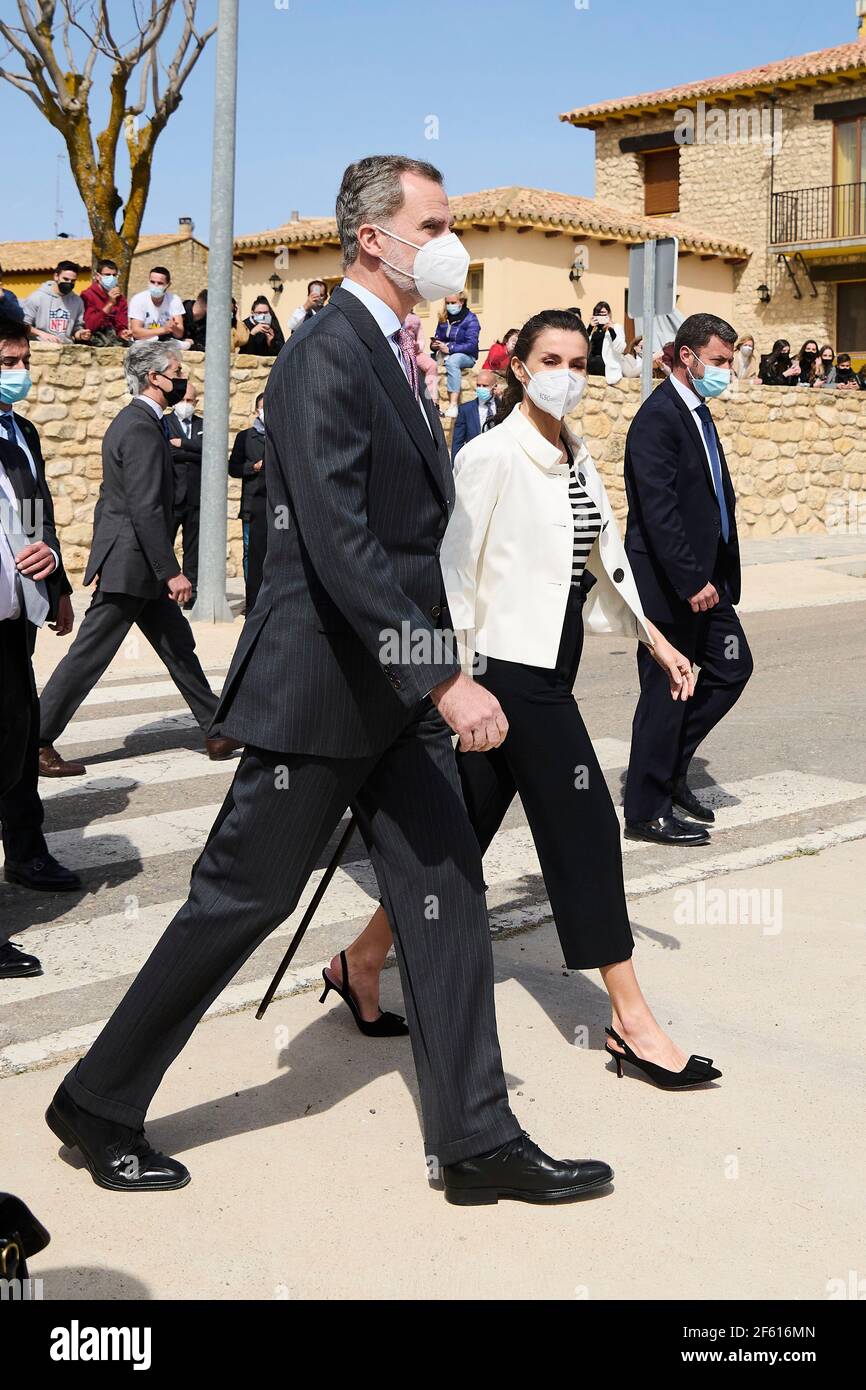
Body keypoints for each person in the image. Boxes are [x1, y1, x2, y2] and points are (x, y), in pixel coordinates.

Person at [45, 154, 613, 1206]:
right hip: (322, 692)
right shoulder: (323, 354)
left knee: (445, 893)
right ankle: (96, 1098)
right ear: (373, 238)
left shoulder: (397, 352)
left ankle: (476, 1137)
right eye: (433, 222)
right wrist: (444, 678)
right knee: (239, 898)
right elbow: (342, 546)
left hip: (391, 699)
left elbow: (406, 542)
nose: (448, 241)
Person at [330, 309, 720, 1090]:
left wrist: (657, 639)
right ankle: (631, 1021)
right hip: (506, 673)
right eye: (551, 359)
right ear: (518, 367)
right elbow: (452, 572)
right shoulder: (490, 455)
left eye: (579, 362)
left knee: (459, 834)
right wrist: (455, 678)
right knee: (584, 828)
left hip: (553, 661)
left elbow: (605, 558)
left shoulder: (575, 454)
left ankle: (361, 960)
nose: (567, 375)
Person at [36, 341, 239, 779]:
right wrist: (172, 572)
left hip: (135, 562)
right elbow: (145, 508)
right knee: (90, 655)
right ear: (154, 378)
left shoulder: (138, 422)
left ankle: (217, 729)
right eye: (177, 371)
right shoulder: (143, 428)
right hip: (134, 565)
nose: (184, 378)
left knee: (177, 647)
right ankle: (33, 739)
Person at [623, 312, 752, 845]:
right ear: (687, 357)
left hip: (708, 581)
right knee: (666, 692)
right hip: (672, 584)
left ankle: (671, 768)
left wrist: (714, 574)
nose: (727, 372)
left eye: (729, 361)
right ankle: (647, 808)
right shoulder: (658, 417)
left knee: (730, 667)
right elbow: (658, 509)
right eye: (718, 362)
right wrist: (688, 577)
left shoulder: (698, 412)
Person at [0, 318, 79, 981]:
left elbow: (36, 512)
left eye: (21, 359)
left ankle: (25, 852)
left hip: (12, 623)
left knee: (20, 738)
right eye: (6, 359)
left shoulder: (19, 431)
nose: (16, 371)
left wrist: (53, 576)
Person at [228, 393, 267, 610]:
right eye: (263, 408)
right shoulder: (245, 437)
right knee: (249, 552)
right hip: (252, 504)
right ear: (255, 411)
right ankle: (252, 599)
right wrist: (253, 467)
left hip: (275, 506)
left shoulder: (282, 435)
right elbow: (233, 468)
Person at [166, 381, 204, 607]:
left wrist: (183, 444)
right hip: (172, 497)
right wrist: (195, 448)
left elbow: (214, 450)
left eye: (190, 401)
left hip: (196, 497)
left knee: (194, 549)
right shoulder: (165, 422)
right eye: (182, 400)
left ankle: (191, 593)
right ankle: (165, 591)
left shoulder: (203, 424)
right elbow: (166, 451)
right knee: (165, 544)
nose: (186, 404)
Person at [431, 289, 480, 418]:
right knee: (426, 362)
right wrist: (435, 345)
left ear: (462, 302)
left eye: (453, 302)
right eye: (447, 303)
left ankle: (453, 404)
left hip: (466, 356)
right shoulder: (443, 317)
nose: (450, 306)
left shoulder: (471, 319)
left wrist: (451, 348)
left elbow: (472, 345)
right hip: (444, 353)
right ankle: (432, 402)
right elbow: (439, 337)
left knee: (453, 361)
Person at [22, 262, 91, 345]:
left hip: (66, 349)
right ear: (56, 276)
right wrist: (42, 334)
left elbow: (76, 327)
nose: (69, 283)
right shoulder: (36, 297)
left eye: (73, 281)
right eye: (65, 279)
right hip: (41, 348)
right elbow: (24, 325)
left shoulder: (77, 301)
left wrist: (80, 334)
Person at [128, 267, 190, 345]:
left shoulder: (174, 300)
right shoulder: (138, 299)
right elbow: (136, 333)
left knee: (187, 344)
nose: (155, 286)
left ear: (168, 285)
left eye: (160, 283)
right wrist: (164, 330)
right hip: (144, 342)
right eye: (152, 282)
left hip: (167, 341)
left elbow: (179, 334)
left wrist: (174, 327)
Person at [81, 260, 132, 346]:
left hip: (113, 339)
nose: (111, 278)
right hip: (94, 339)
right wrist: (110, 304)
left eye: (114, 275)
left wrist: (123, 333)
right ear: (98, 276)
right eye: (107, 275)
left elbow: (121, 325)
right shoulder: (87, 295)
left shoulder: (121, 299)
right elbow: (89, 326)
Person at [450, 368, 497, 458]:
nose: (481, 388)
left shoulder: (502, 407)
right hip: (475, 458)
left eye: (485, 386)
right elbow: (457, 442)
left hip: (497, 458)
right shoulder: (465, 410)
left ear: (494, 387)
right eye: (478, 385)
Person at [586, 301, 625, 383]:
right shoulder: (592, 329)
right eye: (598, 314)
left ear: (609, 314)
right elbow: (581, 345)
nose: (601, 316)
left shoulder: (616, 327)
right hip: (590, 364)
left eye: (604, 314)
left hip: (606, 366)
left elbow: (621, 349)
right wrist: (589, 328)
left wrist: (611, 330)